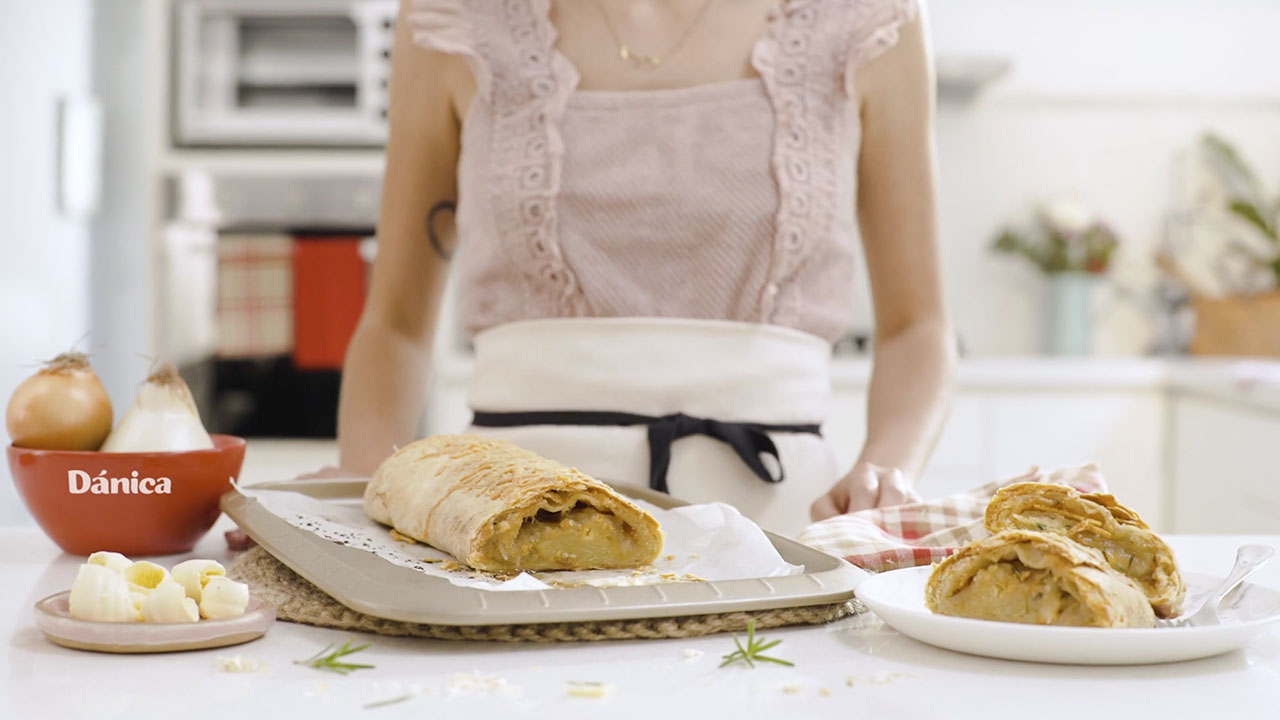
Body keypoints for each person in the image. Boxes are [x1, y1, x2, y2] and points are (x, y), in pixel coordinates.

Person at [334, 0, 955, 535]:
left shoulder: (867, 20)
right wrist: (362, 497)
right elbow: (395, 325)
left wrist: (887, 468)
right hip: (503, 531)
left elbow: (918, 327)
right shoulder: (454, 19)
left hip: (783, 531)